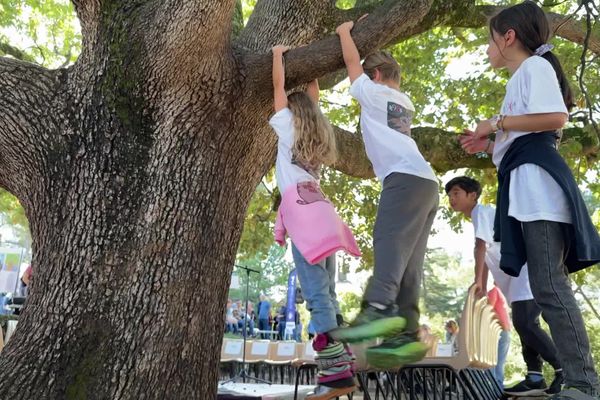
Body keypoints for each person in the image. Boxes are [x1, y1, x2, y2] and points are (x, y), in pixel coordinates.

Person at [459, 2, 600, 399]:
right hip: (525, 186)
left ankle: (583, 382)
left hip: (538, 188)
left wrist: (497, 124)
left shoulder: (534, 68)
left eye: (489, 41)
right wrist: (489, 142)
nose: (487, 50)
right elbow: (522, 136)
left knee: (549, 288)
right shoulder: (521, 77)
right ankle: (579, 380)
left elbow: (555, 118)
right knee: (545, 287)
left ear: (508, 37)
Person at [331, 18, 438, 369]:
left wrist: (346, 33)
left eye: (365, 74)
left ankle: (376, 309)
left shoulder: (373, 92)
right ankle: (405, 333)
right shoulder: (403, 101)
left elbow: (351, 64)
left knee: (389, 241)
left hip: (404, 180)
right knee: (410, 264)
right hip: (427, 183)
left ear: (374, 76)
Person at [269, 45, 361, 399]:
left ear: (292, 111)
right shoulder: (317, 132)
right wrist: (313, 72)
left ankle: (334, 375)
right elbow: (314, 98)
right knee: (329, 293)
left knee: (316, 295)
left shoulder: (288, 128)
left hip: (306, 221)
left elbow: (278, 88)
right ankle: (344, 359)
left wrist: (279, 56)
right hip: (326, 217)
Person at [446, 176, 563, 395]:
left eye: (456, 193)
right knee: (524, 325)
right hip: (514, 279)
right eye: (449, 195)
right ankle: (535, 377)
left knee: (526, 323)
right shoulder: (481, 217)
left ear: (472, 195)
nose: (451, 199)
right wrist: (485, 282)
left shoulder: (481, 211)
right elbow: (489, 255)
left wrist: (477, 282)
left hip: (524, 273)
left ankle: (563, 368)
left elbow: (480, 247)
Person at [487, 286, 511, 389]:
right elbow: (489, 309)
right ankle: (495, 389)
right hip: (498, 330)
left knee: (499, 362)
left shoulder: (502, 292)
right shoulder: (494, 290)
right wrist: (502, 324)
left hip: (504, 331)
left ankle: (498, 388)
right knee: (494, 362)